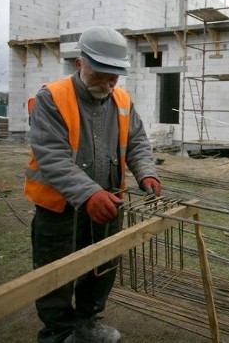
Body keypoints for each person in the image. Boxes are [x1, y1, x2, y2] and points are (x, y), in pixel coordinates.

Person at [25, 25, 162, 343]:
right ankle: (59, 333)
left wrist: (146, 173)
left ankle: (87, 322)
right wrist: (89, 193)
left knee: (101, 265)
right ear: (79, 65)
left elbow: (138, 142)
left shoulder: (123, 100)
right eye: (99, 75)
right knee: (54, 272)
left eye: (113, 77)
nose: (107, 83)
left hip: (107, 203)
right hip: (59, 207)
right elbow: (52, 157)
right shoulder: (52, 97)